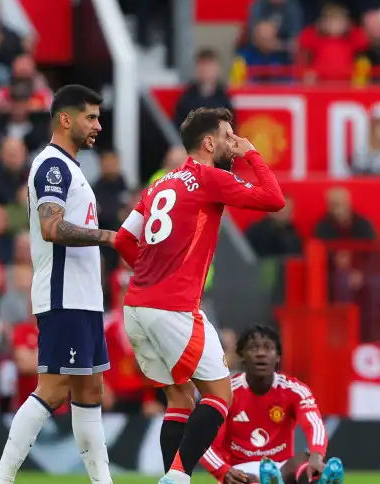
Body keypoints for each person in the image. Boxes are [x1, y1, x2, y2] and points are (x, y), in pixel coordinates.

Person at [113, 108, 286, 484]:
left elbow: (124, 239)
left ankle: (173, 476)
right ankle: (176, 477)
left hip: (137, 306)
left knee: (179, 400)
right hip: (174, 308)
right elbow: (274, 200)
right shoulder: (209, 177)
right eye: (227, 136)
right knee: (220, 395)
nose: (232, 142)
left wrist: (145, 271)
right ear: (209, 143)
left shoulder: (160, 183)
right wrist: (252, 153)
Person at [0, 85, 117, 484]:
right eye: (90, 117)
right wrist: (108, 237)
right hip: (64, 294)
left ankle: (103, 482)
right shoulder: (52, 166)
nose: (97, 125)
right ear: (66, 119)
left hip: (84, 297)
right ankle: (2, 479)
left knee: (89, 391)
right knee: (55, 388)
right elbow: (51, 227)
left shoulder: (72, 167)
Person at [199, 325, 344, 484]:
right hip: (239, 469)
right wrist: (222, 471)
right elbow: (203, 441)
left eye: (268, 348)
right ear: (242, 356)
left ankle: (315, 479)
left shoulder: (294, 389)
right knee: (246, 479)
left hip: (281, 469)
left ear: (278, 357)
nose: (261, 354)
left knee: (305, 459)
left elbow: (314, 423)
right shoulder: (225, 393)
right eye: (253, 349)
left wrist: (317, 456)